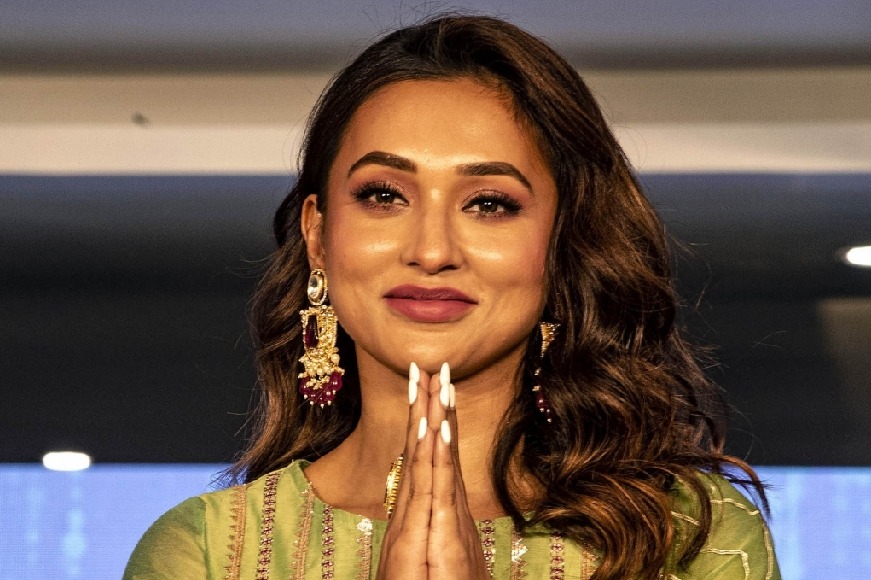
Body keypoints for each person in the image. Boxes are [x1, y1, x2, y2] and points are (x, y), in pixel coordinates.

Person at [124, 14, 780, 580]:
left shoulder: (688, 535)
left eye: (488, 203)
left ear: (564, 242)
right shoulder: (209, 550)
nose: (432, 250)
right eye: (384, 195)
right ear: (318, 237)